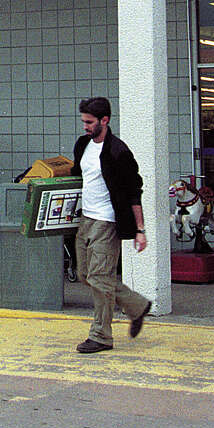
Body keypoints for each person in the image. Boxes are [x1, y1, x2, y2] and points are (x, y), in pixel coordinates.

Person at [72, 96, 152, 353]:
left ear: (104, 120)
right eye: (83, 121)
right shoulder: (83, 144)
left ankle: (101, 336)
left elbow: (133, 191)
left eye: (89, 122)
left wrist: (140, 230)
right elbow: (78, 175)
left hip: (107, 221)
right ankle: (136, 305)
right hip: (87, 219)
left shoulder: (119, 151)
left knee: (100, 278)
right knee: (86, 275)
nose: (84, 126)